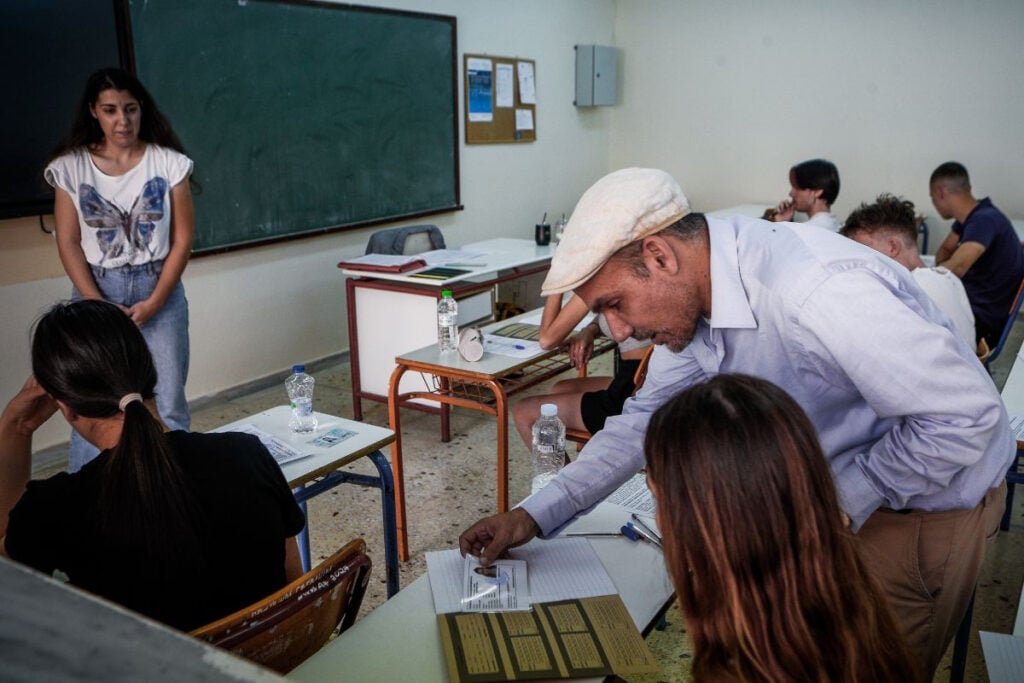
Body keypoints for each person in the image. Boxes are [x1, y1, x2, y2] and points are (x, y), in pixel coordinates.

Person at [459, 168, 1011, 677]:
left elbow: (962, 418)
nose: (619, 331)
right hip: (836, 501)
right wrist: (532, 515)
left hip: (918, 504)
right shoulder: (697, 305)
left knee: (866, 668)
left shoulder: (814, 291)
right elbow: (640, 423)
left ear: (659, 256)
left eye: (616, 303)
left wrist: (834, 507)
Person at [0, 300, 305, 632]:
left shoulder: (53, 512)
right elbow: (294, 590)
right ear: (149, 373)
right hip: (273, 664)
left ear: (66, 407)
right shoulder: (247, 455)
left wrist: (16, 427)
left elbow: (9, 561)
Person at [645, 373, 920, 682]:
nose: (659, 519)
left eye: (659, 499)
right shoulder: (847, 611)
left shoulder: (746, 665)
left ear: (714, 519)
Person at [44, 68, 195, 472]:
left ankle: (174, 486)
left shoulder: (170, 163)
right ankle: (92, 497)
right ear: (94, 112)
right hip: (96, 286)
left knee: (168, 401)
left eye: (130, 109)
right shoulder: (71, 167)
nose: (122, 121)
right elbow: (69, 241)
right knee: (93, 403)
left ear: (141, 109)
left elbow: (182, 241)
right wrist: (97, 306)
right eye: (110, 110)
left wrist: (155, 301)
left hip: (157, 286)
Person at [511, 293, 651, 448]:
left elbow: (547, 340)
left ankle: (566, 473)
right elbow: (610, 312)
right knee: (561, 388)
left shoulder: (597, 275)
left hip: (635, 393)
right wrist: (590, 330)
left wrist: (556, 287)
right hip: (645, 376)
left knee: (523, 412)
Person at [841, 193, 976, 348]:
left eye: (864, 250)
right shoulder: (947, 279)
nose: (860, 262)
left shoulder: (909, 294)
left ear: (893, 247)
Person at [931, 162, 1024, 346]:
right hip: (973, 305)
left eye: (933, 197)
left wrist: (922, 278)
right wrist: (939, 273)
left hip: (982, 322)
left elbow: (956, 267)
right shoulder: (972, 216)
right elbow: (945, 250)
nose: (934, 202)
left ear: (941, 192)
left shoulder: (984, 219)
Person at [769, 158, 841, 231]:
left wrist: (778, 223)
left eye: (797, 188)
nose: (791, 194)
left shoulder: (805, 230)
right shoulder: (837, 228)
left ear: (817, 192)